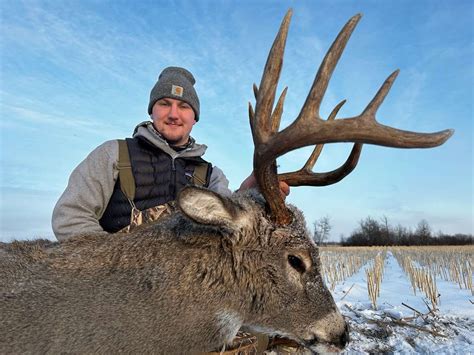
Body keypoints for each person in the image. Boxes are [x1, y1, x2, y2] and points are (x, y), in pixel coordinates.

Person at [52, 66, 288, 241]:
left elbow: (227, 221)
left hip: (184, 291)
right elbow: (70, 216)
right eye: (165, 103)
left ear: (194, 117)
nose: (174, 114)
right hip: (115, 287)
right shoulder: (114, 154)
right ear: (152, 110)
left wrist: (248, 192)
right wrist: (112, 267)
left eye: (184, 106)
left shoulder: (210, 175)